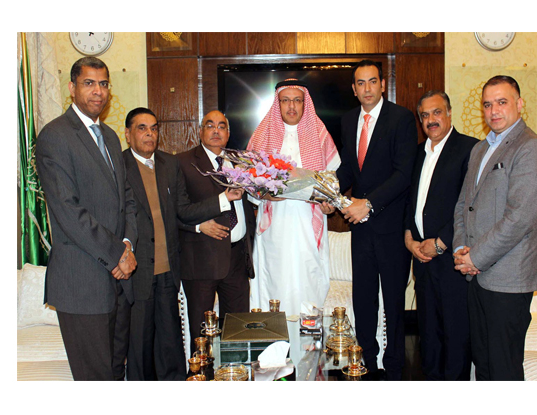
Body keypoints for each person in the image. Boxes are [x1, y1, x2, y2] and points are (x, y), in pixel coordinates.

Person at [36, 57, 138, 380]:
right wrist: (117, 254)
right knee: (95, 381)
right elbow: (68, 211)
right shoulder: (55, 136)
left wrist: (128, 244)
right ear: (72, 88)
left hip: (119, 282)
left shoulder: (109, 136)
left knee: (114, 373)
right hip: (82, 284)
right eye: (89, 83)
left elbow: (127, 199)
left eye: (103, 84)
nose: (98, 91)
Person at [453, 75, 537, 380]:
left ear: (519, 104)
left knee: (504, 370)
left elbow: (520, 219)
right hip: (477, 278)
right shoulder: (480, 149)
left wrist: (475, 257)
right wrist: (461, 248)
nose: (494, 110)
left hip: (508, 281)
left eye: (502, 102)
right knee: (483, 365)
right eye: (487, 104)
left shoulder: (532, 149)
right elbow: (463, 205)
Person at [121, 107, 233, 380]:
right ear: (128, 134)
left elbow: (183, 210)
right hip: (137, 270)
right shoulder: (118, 165)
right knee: (141, 344)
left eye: (154, 128)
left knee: (171, 341)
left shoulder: (168, 164)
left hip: (169, 269)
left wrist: (224, 199)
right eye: (142, 128)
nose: (149, 134)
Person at [335, 60, 417, 380]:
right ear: (354, 89)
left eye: (372, 82)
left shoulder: (401, 118)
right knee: (363, 299)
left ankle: (394, 366)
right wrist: (329, 195)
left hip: (390, 225)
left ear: (382, 84)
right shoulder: (347, 120)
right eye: (360, 83)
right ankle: (366, 362)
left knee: (394, 302)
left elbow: (403, 174)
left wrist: (368, 204)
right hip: (360, 228)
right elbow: (347, 170)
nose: (367, 88)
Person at [247, 79, 340, 318]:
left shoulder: (319, 135)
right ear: (277, 104)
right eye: (285, 100)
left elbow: (332, 183)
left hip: (308, 225)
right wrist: (263, 193)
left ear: (304, 103)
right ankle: (275, 345)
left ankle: (308, 347)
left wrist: (330, 205)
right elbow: (249, 184)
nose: (291, 106)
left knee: (307, 279)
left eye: (297, 100)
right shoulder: (262, 135)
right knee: (274, 280)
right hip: (274, 226)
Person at [404, 91, 478, 380]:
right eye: (425, 115)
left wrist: (440, 243)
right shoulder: (419, 152)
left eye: (437, 112)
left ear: (449, 113)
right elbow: (412, 201)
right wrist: (410, 239)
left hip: (452, 259)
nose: (431, 120)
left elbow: (470, 203)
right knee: (429, 334)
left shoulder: (469, 149)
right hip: (422, 259)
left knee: (456, 334)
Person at [177, 110, 256, 345]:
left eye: (221, 126)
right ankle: (203, 378)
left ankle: (235, 377)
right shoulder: (183, 162)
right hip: (201, 259)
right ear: (200, 131)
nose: (216, 130)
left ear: (228, 133)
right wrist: (201, 224)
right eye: (209, 125)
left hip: (237, 259)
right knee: (203, 335)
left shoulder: (241, 161)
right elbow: (176, 210)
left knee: (238, 330)